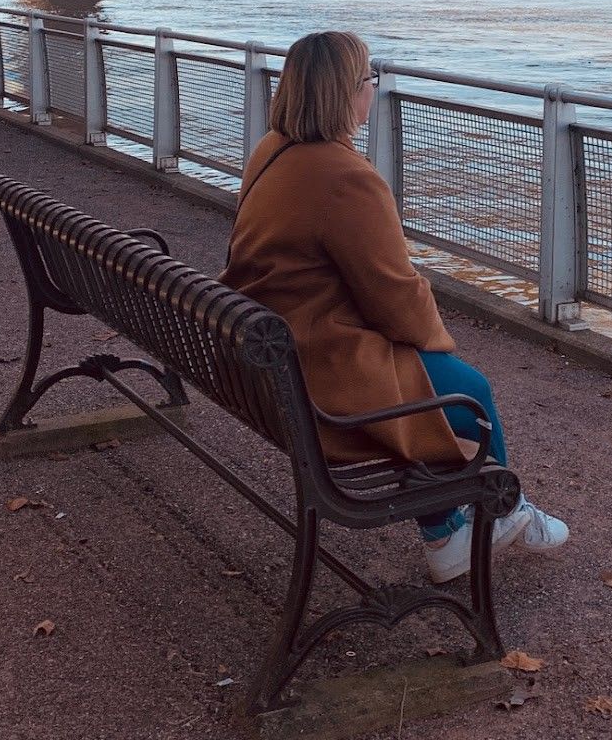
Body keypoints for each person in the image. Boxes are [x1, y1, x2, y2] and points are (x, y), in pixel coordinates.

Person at [220, 29, 568, 584]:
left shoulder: (272, 149)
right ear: (346, 93)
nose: (374, 89)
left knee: (426, 383)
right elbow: (394, 295)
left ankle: (456, 524)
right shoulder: (347, 178)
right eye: (369, 79)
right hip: (315, 366)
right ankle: (489, 516)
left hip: (264, 347)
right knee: (465, 389)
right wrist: (433, 338)